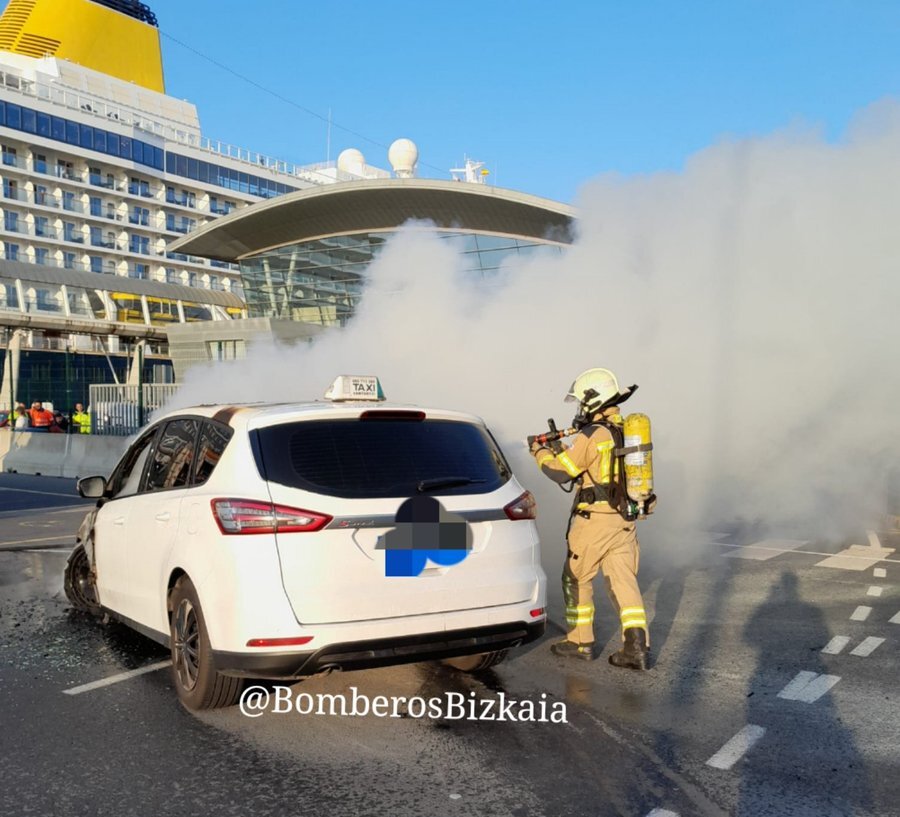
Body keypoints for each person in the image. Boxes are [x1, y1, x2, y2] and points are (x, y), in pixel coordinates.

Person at [529, 368, 651, 670]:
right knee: (623, 581)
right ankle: (636, 648)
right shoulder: (622, 430)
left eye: (581, 403)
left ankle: (579, 641)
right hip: (623, 519)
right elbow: (599, 468)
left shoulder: (592, 435)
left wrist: (539, 452)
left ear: (591, 400)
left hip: (594, 520)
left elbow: (560, 471)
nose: (580, 409)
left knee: (575, 577)